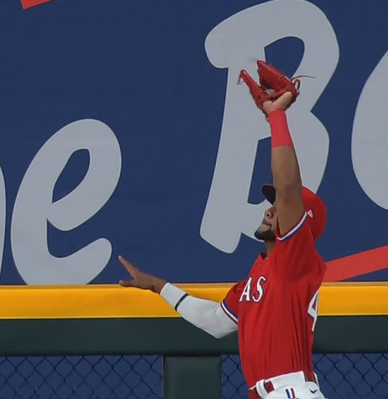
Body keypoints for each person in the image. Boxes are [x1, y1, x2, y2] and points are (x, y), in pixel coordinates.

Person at [118, 61, 329, 399]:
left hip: (291, 390)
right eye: (272, 203)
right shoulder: (261, 276)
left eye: (279, 206)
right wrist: (158, 286)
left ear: (302, 223)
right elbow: (216, 321)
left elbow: (289, 186)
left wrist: (276, 116)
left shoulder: (296, 260)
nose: (270, 209)